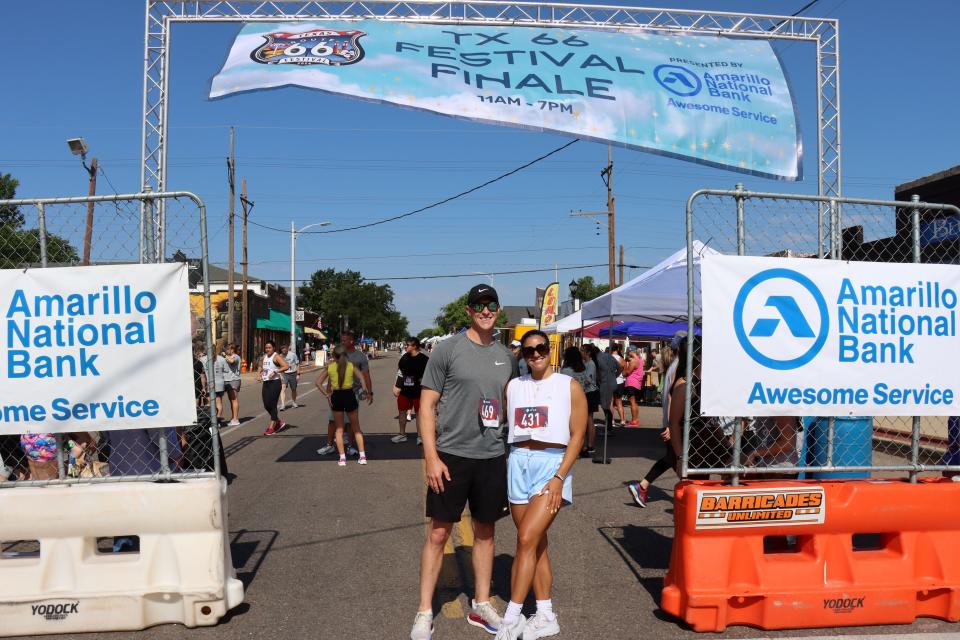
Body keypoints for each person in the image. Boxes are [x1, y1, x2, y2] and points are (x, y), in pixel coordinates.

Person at [410, 284, 517, 640]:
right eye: (478, 305)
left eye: (491, 305)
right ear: (469, 311)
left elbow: (511, 408)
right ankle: (424, 611)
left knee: (486, 532)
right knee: (439, 533)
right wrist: (431, 456)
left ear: (498, 310)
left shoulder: (507, 357)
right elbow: (426, 406)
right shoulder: (447, 350)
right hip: (451, 456)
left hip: (491, 456)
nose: (485, 311)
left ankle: (481, 604)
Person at [497, 330, 586, 640]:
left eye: (540, 348)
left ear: (551, 350)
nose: (535, 354)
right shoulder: (513, 387)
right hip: (518, 461)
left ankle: (512, 617)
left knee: (525, 538)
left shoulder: (569, 386)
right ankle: (546, 614)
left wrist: (560, 476)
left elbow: (577, 435)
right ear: (522, 354)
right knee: (536, 543)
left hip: (550, 466)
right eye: (529, 350)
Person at [628, 338, 680, 508]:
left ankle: (643, 486)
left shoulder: (673, 366)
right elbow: (673, 396)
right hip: (674, 422)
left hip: (671, 421)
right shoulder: (678, 366)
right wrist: (672, 425)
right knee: (675, 459)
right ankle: (643, 485)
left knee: (673, 459)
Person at [317, 330, 371, 457]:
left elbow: (366, 375)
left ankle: (349, 447)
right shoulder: (335, 360)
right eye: (341, 340)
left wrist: (368, 392)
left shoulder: (359, 357)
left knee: (350, 424)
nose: (342, 342)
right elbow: (330, 377)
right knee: (333, 422)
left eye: (344, 340)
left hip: (353, 393)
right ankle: (330, 445)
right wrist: (328, 392)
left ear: (351, 341)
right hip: (337, 394)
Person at [392, 336, 429, 444]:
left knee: (419, 414)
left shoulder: (424, 359)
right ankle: (402, 434)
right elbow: (400, 372)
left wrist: (424, 381)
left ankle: (420, 436)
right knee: (402, 412)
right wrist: (396, 386)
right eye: (406, 344)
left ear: (415, 346)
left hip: (419, 391)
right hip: (405, 391)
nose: (405, 346)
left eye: (407, 345)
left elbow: (430, 374)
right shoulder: (404, 357)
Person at [258, 340, 289, 436]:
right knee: (266, 405)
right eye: (266, 347)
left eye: (269, 347)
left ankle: (272, 427)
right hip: (266, 382)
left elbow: (286, 366)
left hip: (275, 383)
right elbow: (260, 366)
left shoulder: (276, 356)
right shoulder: (264, 357)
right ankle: (278, 422)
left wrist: (276, 372)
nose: (267, 349)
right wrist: (259, 373)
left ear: (274, 348)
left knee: (272, 404)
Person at [579, 345, 600, 456]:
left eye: (582, 351)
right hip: (587, 392)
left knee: (589, 418)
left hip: (591, 392)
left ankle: (590, 444)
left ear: (588, 353)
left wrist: (578, 379)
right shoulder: (584, 363)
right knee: (587, 419)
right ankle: (587, 444)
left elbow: (587, 380)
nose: (580, 352)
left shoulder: (591, 364)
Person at [623, 347, 644, 426]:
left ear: (631, 352)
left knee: (632, 402)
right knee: (634, 402)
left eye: (628, 352)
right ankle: (635, 419)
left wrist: (624, 370)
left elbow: (627, 372)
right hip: (638, 383)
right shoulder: (640, 360)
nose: (627, 354)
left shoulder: (633, 361)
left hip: (632, 382)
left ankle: (634, 421)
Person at [222, 343, 242, 426]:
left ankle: (235, 419)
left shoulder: (235, 356)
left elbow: (232, 361)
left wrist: (224, 355)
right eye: (226, 349)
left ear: (232, 350)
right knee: (231, 400)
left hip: (233, 380)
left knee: (234, 399)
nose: (226, 351)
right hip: (227, 380)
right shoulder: (227, 357)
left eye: (228, 349)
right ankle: (233, 417)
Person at [279, 344, 300, 410]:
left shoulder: (293, 355)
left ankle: (294, 402)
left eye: (285, 348)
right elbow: (279, 366)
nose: (284, 350)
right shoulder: (280, 356)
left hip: (293, 373)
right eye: (282, 349)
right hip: (284, 373)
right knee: (283, 388)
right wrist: (280, 374)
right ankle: (283, 405)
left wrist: (298, 374)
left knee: (293, 389)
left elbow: (297, 364)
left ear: (287, 349)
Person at [610, 344, 627, 426]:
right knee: (619, 402)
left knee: (611, 402)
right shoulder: (621, 359)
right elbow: (624, 373)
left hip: (610, 382)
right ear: (618, 349)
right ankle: (622, 420)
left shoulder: (608, 358)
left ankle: (611, 420)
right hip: (619, 382)